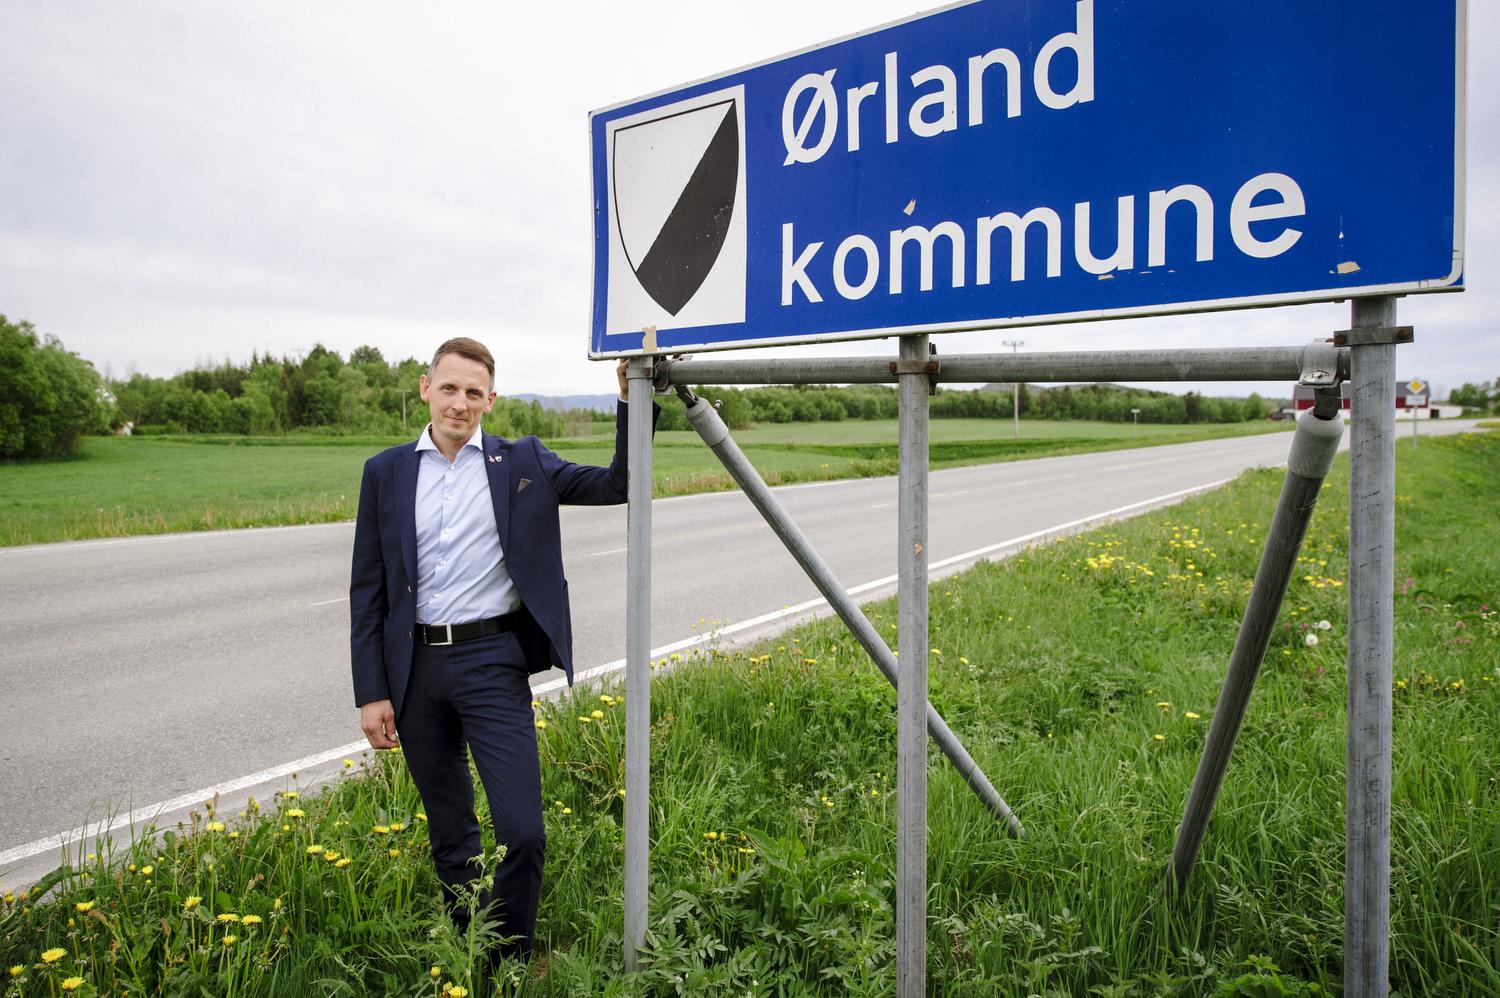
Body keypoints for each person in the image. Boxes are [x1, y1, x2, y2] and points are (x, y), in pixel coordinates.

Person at [349, 336, 655, 959]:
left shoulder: (524, 462)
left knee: (523, 830)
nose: (459, 403)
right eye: (448, 388)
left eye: (473, 392)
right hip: (415, 670)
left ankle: (509, 956)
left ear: (491, 399)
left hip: (492, 662)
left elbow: (620, 483)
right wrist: (371, 691)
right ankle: (472, 951)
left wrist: (631, 400)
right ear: (425, 389)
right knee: (450, 831)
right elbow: (368, 590)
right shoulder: (385, 472)